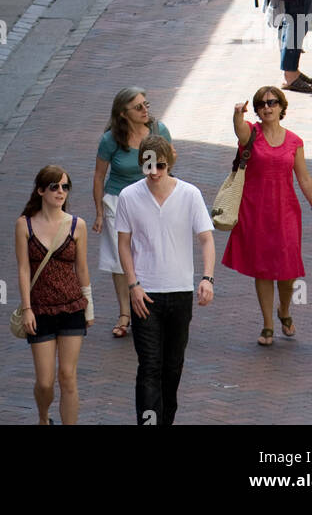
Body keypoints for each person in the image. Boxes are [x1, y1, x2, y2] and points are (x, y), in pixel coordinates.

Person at [116, 135, 214, 426]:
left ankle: (165, 421)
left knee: (172, 367)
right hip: (145, 294)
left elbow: (206, 239)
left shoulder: (190, 194)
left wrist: (207, 278)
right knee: (149, 366)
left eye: (160, 165)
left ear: (169, 162)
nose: (154, 172)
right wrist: (132, 285)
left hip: (180, 292)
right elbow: (123, 244)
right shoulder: (129, 196)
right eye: (148, 166)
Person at [222, 88, 312, 345]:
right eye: (261, 104)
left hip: (286, 211)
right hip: (255, 209)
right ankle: (268, 324)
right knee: (262, 269)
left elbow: (303, 176)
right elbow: (239, 130)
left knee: (288, 270)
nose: (267, 107)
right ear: (256, 110)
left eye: (272, 102)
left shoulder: (294, 141)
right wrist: (237, 113)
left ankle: (285, 311)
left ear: (281, 107)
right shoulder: (252, 134)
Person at [14, 165, 93, 426]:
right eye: (54, 187)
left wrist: (88, 308)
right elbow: (24, 269)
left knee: (68, 376)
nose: (61, 192)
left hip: (72, 307)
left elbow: (82, 268)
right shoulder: (24, 225)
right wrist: (27, 309)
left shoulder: (77, 225)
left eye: (65, 187)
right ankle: (42, 417)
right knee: (45, 382)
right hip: (40, 310)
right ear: (40, 190)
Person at [92, 89, 172, 339]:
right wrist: (98, 212)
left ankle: (149, 307)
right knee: (120, 257)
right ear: (123, 114)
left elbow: (168, 164)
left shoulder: (158, 131)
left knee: (149, 252)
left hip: (150, 198)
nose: (144, 110)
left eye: (145, 104)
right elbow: (99, 175)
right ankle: (125, 313)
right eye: (137, 107)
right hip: (117, 201)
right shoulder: (111, 139)